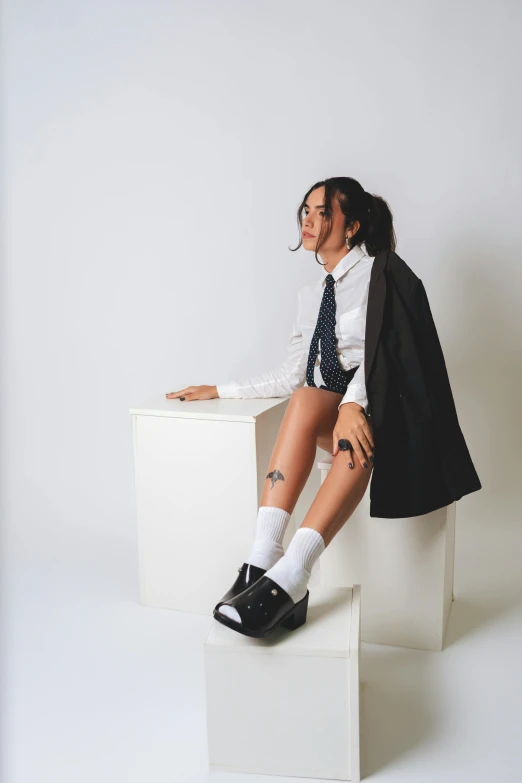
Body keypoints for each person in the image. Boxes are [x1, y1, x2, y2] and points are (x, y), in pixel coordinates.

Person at [165, 176, 481, 639]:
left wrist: (355, 404)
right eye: (306, 211)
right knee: (305, 395)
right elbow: (292, 376)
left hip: (388, 418)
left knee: (352, 427)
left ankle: (294, 574)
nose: (308, 221)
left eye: (322, 212)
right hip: (333, 414)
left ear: (350, 226)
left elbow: (395, 355)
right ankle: (262, 557)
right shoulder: (310, 297)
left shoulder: (384, 273)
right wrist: (220, 388)